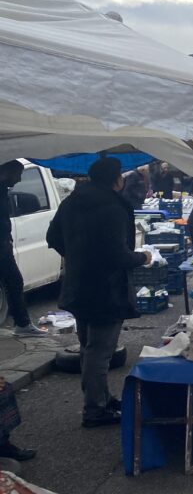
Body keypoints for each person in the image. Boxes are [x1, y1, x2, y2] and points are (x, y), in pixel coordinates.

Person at [46, 157, 152, 427]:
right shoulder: (112, 207)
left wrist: (77, 257)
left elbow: (53, 237)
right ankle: (94, 409)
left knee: (87, 346)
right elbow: (118, 254)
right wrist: (143, 257)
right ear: (116, 180)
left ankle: (102, 397)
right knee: (99, 351)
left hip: (79, 284)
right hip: (106, 289)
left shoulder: (72, 202)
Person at [0, 161, 47, 337]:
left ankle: (22, 323)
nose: (19, 179)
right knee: (14, 282)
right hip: (1, 245)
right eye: (18, 174)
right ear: (7, 172)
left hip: (4, 242)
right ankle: (22, 324)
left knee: (13, 282)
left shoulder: (4, 190)